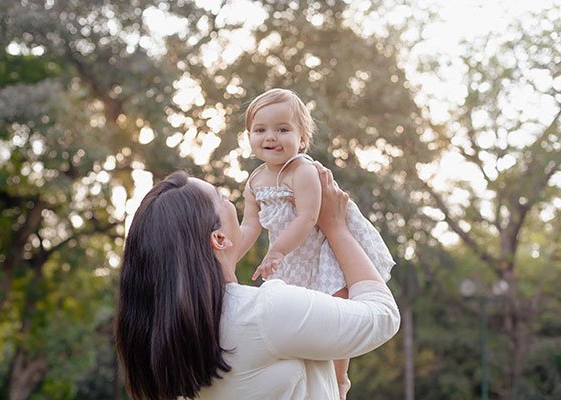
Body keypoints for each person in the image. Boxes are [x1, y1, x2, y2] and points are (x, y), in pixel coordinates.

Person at [115, 164, 400, 400]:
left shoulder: (169, 342)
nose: (233, 201)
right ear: (219, 238)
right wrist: (336, 226)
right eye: (222, 198)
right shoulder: (265, 312)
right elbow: (382, 315)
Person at [238, 88, 396, 398]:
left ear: (302, 139)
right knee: (294, 317)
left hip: (320, 250)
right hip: (291, 259)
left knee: (337, 306)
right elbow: (250, 224)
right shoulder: (255, 181)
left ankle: (339, 381)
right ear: (249, 137)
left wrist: (278, 250)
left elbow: (308, 218)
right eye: (261, 130)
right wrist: (228, 258)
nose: (271, 137)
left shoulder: (303, 171)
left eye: (283, 129)